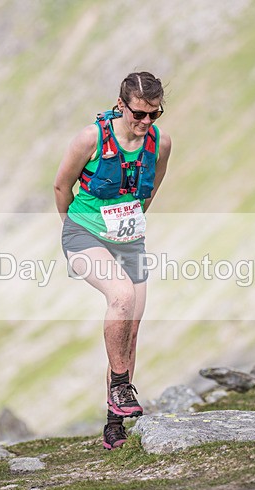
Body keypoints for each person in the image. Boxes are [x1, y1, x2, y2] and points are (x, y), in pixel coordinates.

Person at [54, 72, 172, 450]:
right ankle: (122, 388)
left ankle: (114, 426)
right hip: (84, 234)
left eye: (154, 114)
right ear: (121, 105)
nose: (145, 122)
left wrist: (130, 223)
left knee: (131, 328)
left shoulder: (160, 142)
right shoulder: (91, 138)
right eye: (139, 114)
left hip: (129, 240)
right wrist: (73, 228)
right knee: (120, 297)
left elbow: (149, 189)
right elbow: (61, 186)